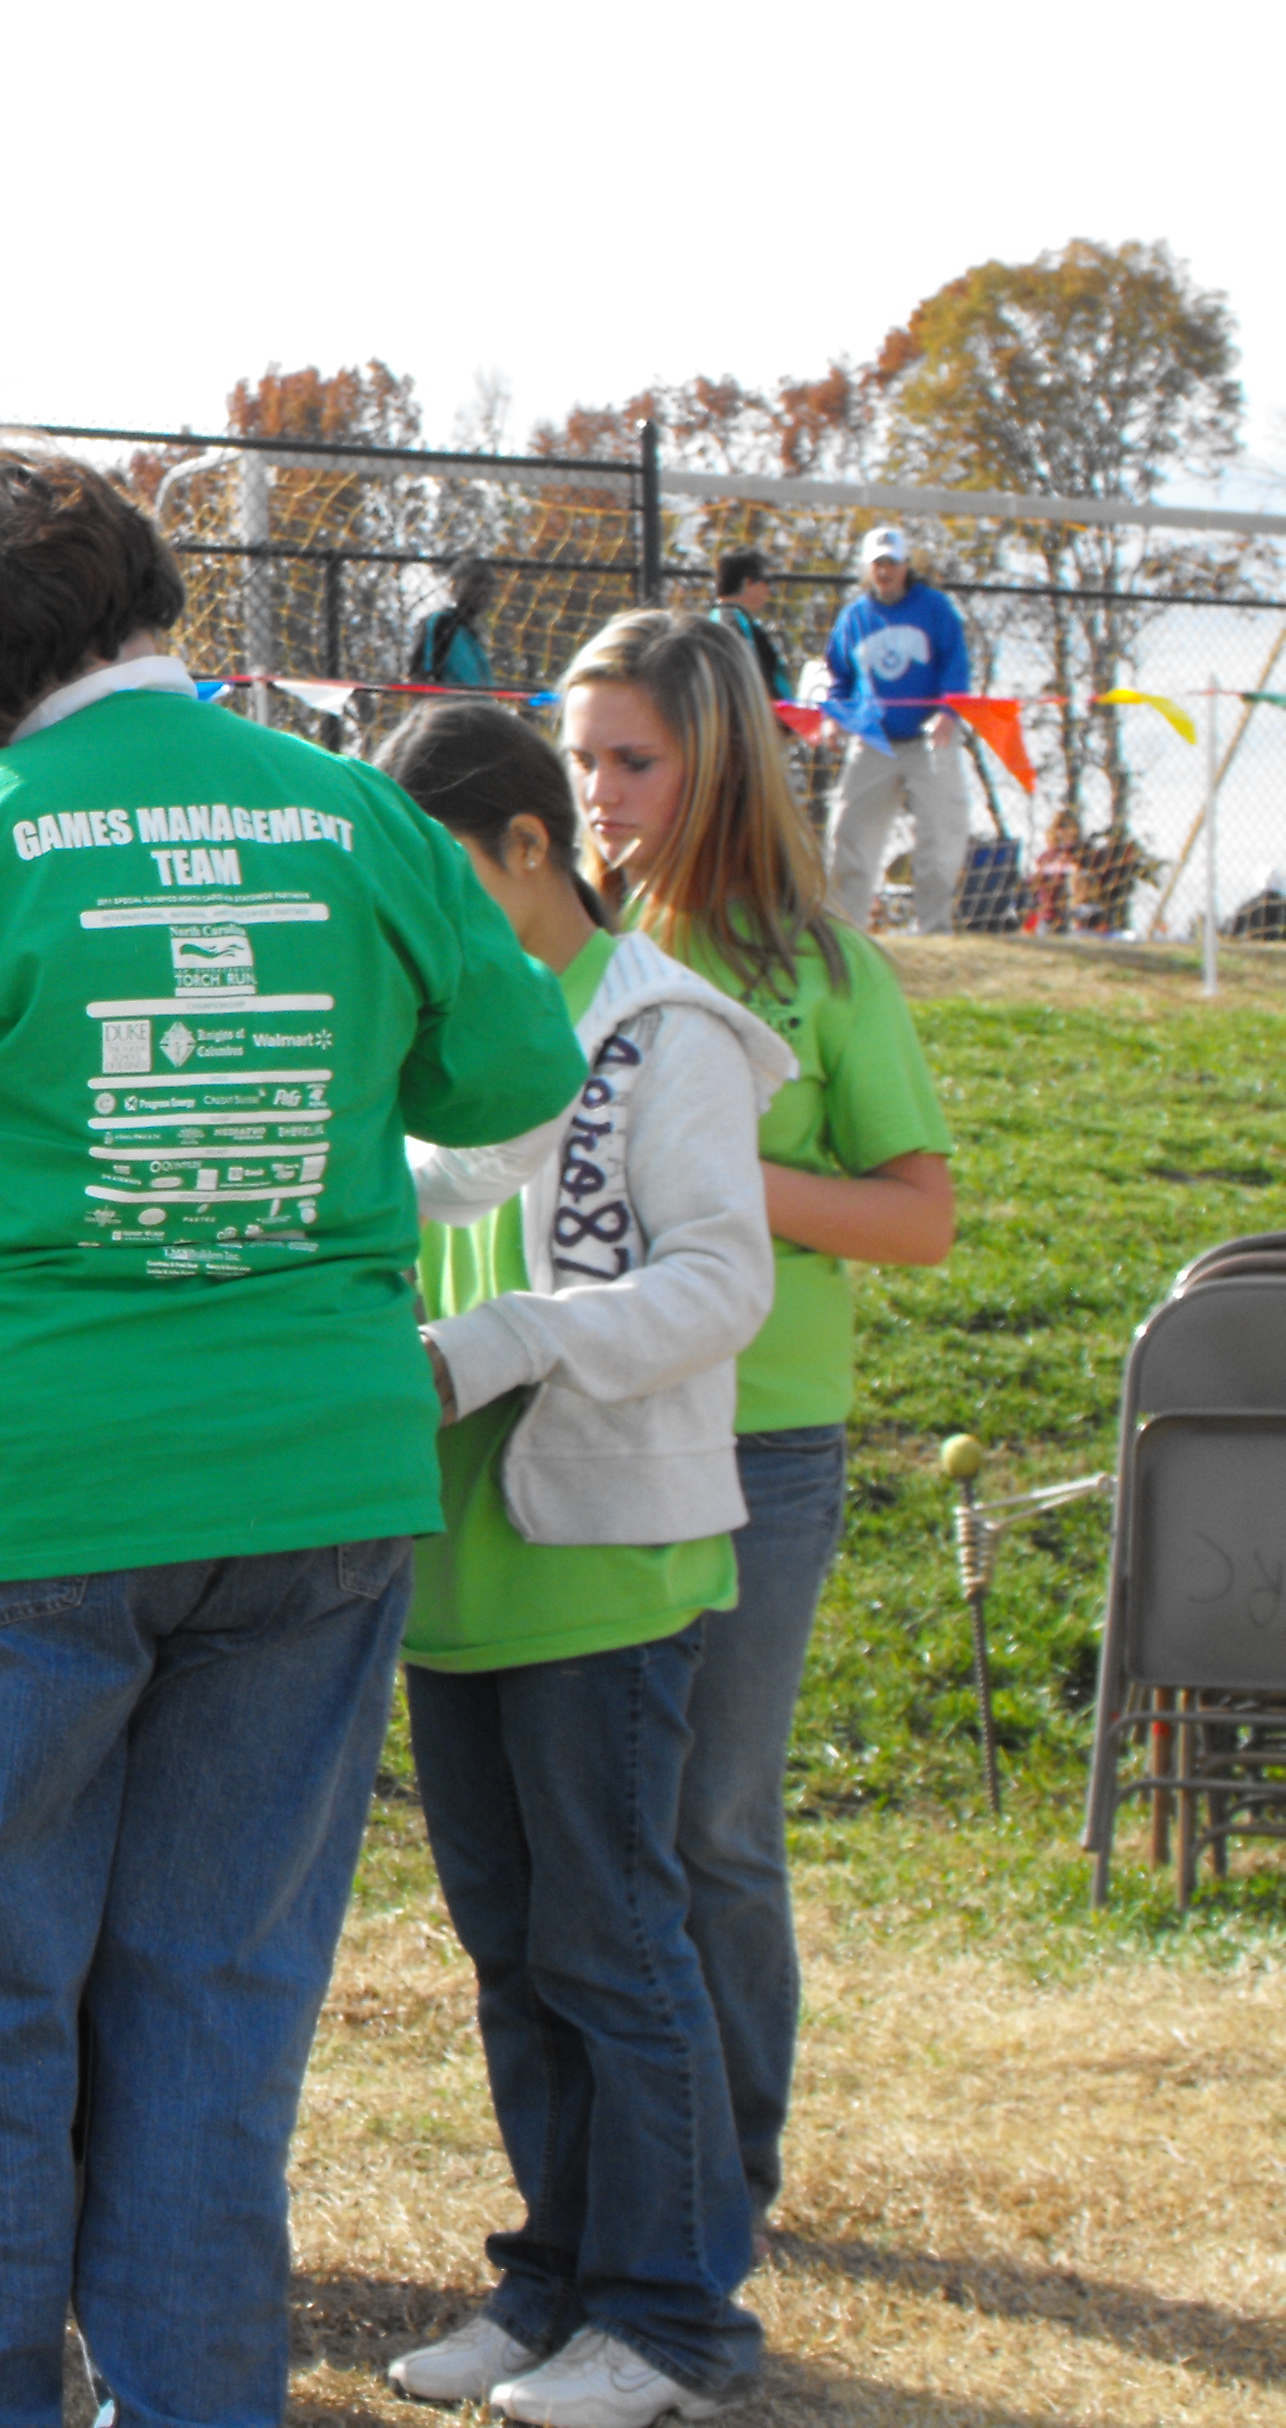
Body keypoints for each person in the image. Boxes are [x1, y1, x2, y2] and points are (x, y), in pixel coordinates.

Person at [0, 439, 583, 2428]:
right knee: (218, 2007)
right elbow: (522, 1082)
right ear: (145, 606)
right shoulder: (358, 816)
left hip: (7, 1487)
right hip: (312, 1479)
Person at [368, 697, 791, 2427]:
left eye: (442, 878)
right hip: (458, 1574)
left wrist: (499, 1343)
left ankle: (671, 2319)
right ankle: (548, 2282)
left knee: (615, 1948)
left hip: (606, 1560)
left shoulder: (665, 1029)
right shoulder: (449, 1025)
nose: (423, 923)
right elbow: (440, 1189)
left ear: (527, 848)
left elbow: (721, 1281)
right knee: (509, 1951)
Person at [557, 608, 953, 2258]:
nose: (596, 796)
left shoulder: (819, 965)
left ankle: (731, 2175)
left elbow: (916, 1219)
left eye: (629, 760)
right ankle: (609, 2173)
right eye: (576, 760)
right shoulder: (551, 950)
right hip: (568, 1428)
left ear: (714, 759)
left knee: (709, 1823)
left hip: (759, 1445)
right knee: (593, 1835)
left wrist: (714, 1177)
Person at [818, 527, 973, 933]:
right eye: (877, 564)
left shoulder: (935, 608)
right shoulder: (854, 617)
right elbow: (838, 678)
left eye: (892, 563)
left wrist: (948, 711)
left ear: (907, 566)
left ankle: (935, 931)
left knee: (939, 838)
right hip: (874, 742)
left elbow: (956, 664)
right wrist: (833, 717)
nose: (884, 571)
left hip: (929, 739)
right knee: (849, 834)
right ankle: (847, 933)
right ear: (867, 569)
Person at [706, 552, 791, 704]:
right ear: (748, 582)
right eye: (766, 581)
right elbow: (739, 677)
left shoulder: (734, 619)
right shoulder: (729, 621)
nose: (769, 590)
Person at [410, 555, 501, 692]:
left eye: (489, 584)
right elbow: (420, 675)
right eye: (476, 582)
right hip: (451, 706)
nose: (484, 589)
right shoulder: (442, 623)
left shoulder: (472, 633)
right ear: (454, 585)